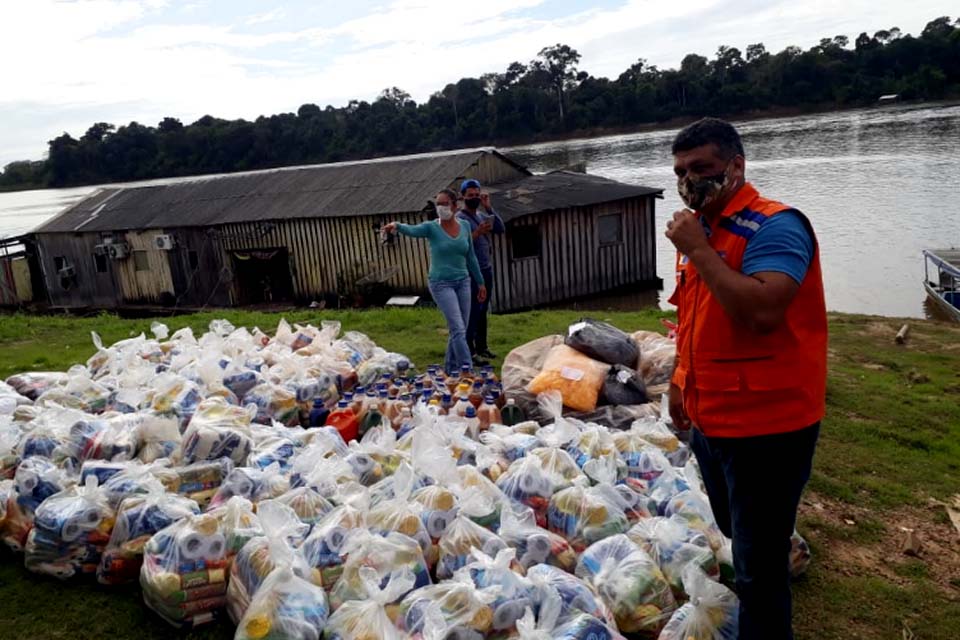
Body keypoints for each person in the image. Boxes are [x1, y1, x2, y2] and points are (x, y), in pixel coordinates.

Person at [664, 117, 826, 640]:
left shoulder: (775, 225)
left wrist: (700, 252)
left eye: (702, 168)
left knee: (758, 568)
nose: (689, 181)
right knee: (739, 534)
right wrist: (677, 381)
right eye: (681, 171)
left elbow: (761, 313)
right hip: (714, 421)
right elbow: (695, 321)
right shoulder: (702, 231)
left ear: (736, 166)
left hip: (769, 427)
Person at [382, 189, 487, 373]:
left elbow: (470, 257)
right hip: (441, 284)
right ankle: (468, 372)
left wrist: (480, 283)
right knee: (458, 330)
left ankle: (449, 370)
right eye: (438, 204)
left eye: (445, 203)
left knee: (459, 330)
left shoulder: (464, 226)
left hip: (463, 282)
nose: (441, 208)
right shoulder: (431, 227)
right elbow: (412, 230)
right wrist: (396, 225)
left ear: (455, 206)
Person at [457, 179, 504, 362]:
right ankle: (470, 351)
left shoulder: (481, 215)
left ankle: (482, 346)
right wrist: (477, 233)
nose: (474, 198)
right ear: (463, 197)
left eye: (477, 195)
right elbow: (461, 243)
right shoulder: (460, 219)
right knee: (473, 311)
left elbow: (500, 228)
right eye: (471, 196)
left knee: (483, 310)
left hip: (486, 269)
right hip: (471, 272)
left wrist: (489, 208)